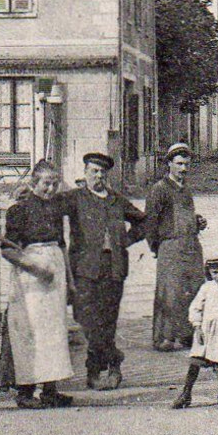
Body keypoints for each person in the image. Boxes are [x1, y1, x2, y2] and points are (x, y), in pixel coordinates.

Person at [61, 152, 147, 390]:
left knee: (107, 321)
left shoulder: (117, 200)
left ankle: (95, 371)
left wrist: (125, 241)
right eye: (93, 171)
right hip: (85, 269)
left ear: (107, 175)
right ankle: (114, 359)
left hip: (114, 268)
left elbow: (143, 222)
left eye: (102, 172)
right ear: (85, 173)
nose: (97, 176)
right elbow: (49, 207)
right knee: (86, 319)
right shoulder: (75, 198)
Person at [2, 160, 75, 409]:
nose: (51, 188)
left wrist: (70, 282)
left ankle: (50, 391)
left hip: (55, 272)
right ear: (34, 183)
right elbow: (8, 251)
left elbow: (62, 244)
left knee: (54, 332)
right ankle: (25, 393)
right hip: (30, 277)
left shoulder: (56, 209)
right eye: (46, 183)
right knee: (30, 332)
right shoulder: (18, 211)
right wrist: (35, 268)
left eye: (55, 183)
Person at [146, 143, 208, 351]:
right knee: (170, 293)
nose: (183, 169)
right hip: (170, 247)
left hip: (191, 245)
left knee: (192, 289)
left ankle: (186, 335)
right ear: (169, 164)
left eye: (186, 164)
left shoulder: (186, 190)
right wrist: (158, 247)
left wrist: (197, 221)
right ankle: (164, 338)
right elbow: (151, 223)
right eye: (179, 164)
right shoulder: (159, 189)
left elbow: (185, 216)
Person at [172, 252, 218, 410]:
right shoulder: (206, 288)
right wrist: (197, 326)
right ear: (209, 272)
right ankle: (186, 393)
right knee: (196, 361)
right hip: (206, 331)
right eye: (215, 272)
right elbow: (195, 307)